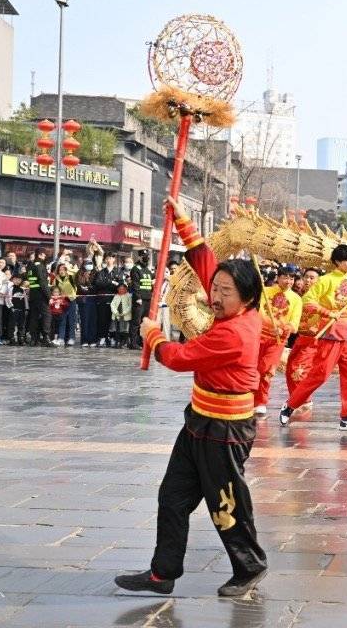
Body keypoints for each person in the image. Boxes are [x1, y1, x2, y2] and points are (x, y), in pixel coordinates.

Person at [116, 198, 267, 598]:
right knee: (172, 497)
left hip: (225, 431)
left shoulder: (234, 332)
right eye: (215, 289)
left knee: (226, 506)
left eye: (226, 292)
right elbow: (205, 262)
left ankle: (249, 566)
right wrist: (182, 220)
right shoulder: (231, 309)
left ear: (248, 299)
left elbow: (180, 358)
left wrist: (152, 334)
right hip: (198, 420)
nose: (215, 297)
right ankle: (162, 573)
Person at [280, 245, 347, 430]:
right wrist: (326, 312)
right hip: (331, 333)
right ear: (337, 262)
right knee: (320, 374)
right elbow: (307, 301)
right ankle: (290, 405)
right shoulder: (326, 280)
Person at [254, 266, 302, 416]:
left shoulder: (296, 299)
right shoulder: (264, 291)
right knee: (251, 367)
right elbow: (255, 310)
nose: (289, 281)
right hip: (256, 335)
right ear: (278, 277)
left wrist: (282, 329)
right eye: (285, 277)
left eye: (292, 278)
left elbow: (294, 325)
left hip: (277, 340)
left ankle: (261, 401)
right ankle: (247, 398)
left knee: (266, 370)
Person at [25, 246, 52, 346]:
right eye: (44, 255)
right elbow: (43, 282)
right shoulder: (40, 266)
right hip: (41, 296)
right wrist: (49, 296)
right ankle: (46, 337)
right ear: (40, 255)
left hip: (33, 295)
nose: (45, 257)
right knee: (47, 316)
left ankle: (34, 339)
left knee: (34, 317)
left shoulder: (31, 265)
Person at [130, 250, 155, 350]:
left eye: (147, 256)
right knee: (136, 322)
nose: (146, 258)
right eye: (144, 256)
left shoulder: (148, 270)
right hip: (139, 300)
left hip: (148, 299)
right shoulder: (136, 269)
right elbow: (135, 285)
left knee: (145, 322)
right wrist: (138, 298)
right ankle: (133, 343)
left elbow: (151, 283)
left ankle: (142, 342)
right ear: (139, 257)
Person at [52, 262, 79, 346]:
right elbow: (53, 289)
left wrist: (68, 267)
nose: (62, 271)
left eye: (63, 269)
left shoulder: (71, 277)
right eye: (60, 269)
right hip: (62, 301)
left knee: (71, 320)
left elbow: (76, 271)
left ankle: (71, 338)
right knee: (62, 321)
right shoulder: (56, 279)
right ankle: (61, 338)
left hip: (71, 300)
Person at [109, 283, 132, 348]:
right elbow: (112, 305)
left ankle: (125, 342)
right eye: (119, 289)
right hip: (117, 315)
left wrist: (124, 312)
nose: (121, 290)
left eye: (123, 289)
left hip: (125, 315)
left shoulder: (128, 296)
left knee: (125, 330)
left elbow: (130, 306)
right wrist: (116, 312)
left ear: (126, 289)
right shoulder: (116, 296)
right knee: (117, 330)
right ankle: (118, 342)